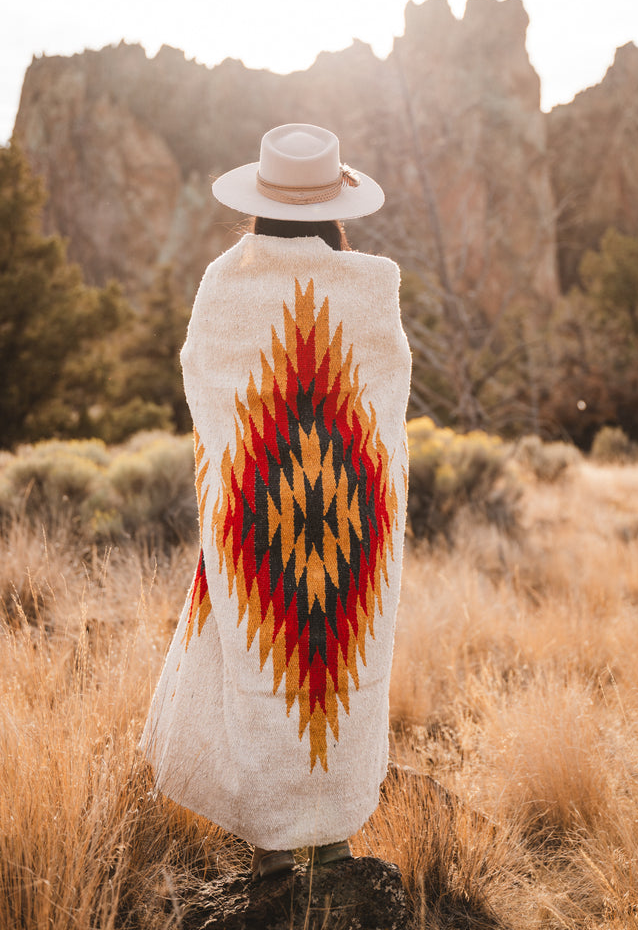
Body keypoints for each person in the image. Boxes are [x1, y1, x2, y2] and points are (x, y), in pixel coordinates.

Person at [140, 123, 412, 879]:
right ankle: (331, 845)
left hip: (252, 515)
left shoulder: (224, 283)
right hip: (355, 518)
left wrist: (240, 478)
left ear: (258, 201)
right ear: (335, 207)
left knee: (261, 662)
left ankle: (270, 851)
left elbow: (205, 384)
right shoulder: (370, 283)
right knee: (340, 667)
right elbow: (383, 405)